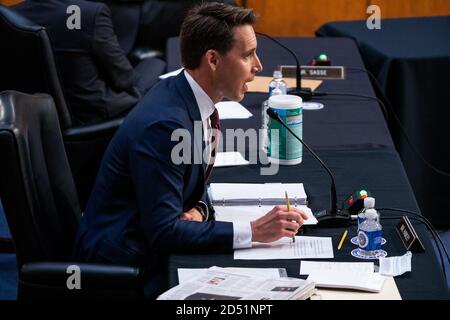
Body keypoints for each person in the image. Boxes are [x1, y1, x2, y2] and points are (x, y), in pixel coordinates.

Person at [72, 2, 308, 298]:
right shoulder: (166, 126)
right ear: (212, 60)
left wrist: (200, 209)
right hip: (126, 267)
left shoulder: (184, 95)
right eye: (248, 55)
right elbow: (165, 233)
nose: (258, 66)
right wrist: (254, 231)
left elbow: (188, 190)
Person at [13, 0, 166, 125]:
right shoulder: (88, 13)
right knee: (158, 64)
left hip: (36, 122)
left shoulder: (10, 16)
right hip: (95, 118)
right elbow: (124, 80)